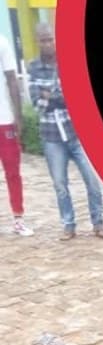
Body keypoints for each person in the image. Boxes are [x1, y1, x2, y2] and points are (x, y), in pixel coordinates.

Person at [27, 23, 103, 241]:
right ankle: (68, 225)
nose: (48, 43)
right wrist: (58, 97)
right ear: (38, 42)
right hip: (52, 136)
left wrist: (50, 96)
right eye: (44, 40)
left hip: (77, 133)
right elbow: (37, 105)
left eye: (50, 39)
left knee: (92, 180)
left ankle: (98, 223)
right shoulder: (33, 68)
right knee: (60, 184)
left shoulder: (69, 62)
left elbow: (78, 98)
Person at [0, 32, 33, 236]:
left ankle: (18, 219)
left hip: (4, 119)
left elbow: (12, 79)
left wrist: (19, 117)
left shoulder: (2, 42)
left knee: (13, 171)